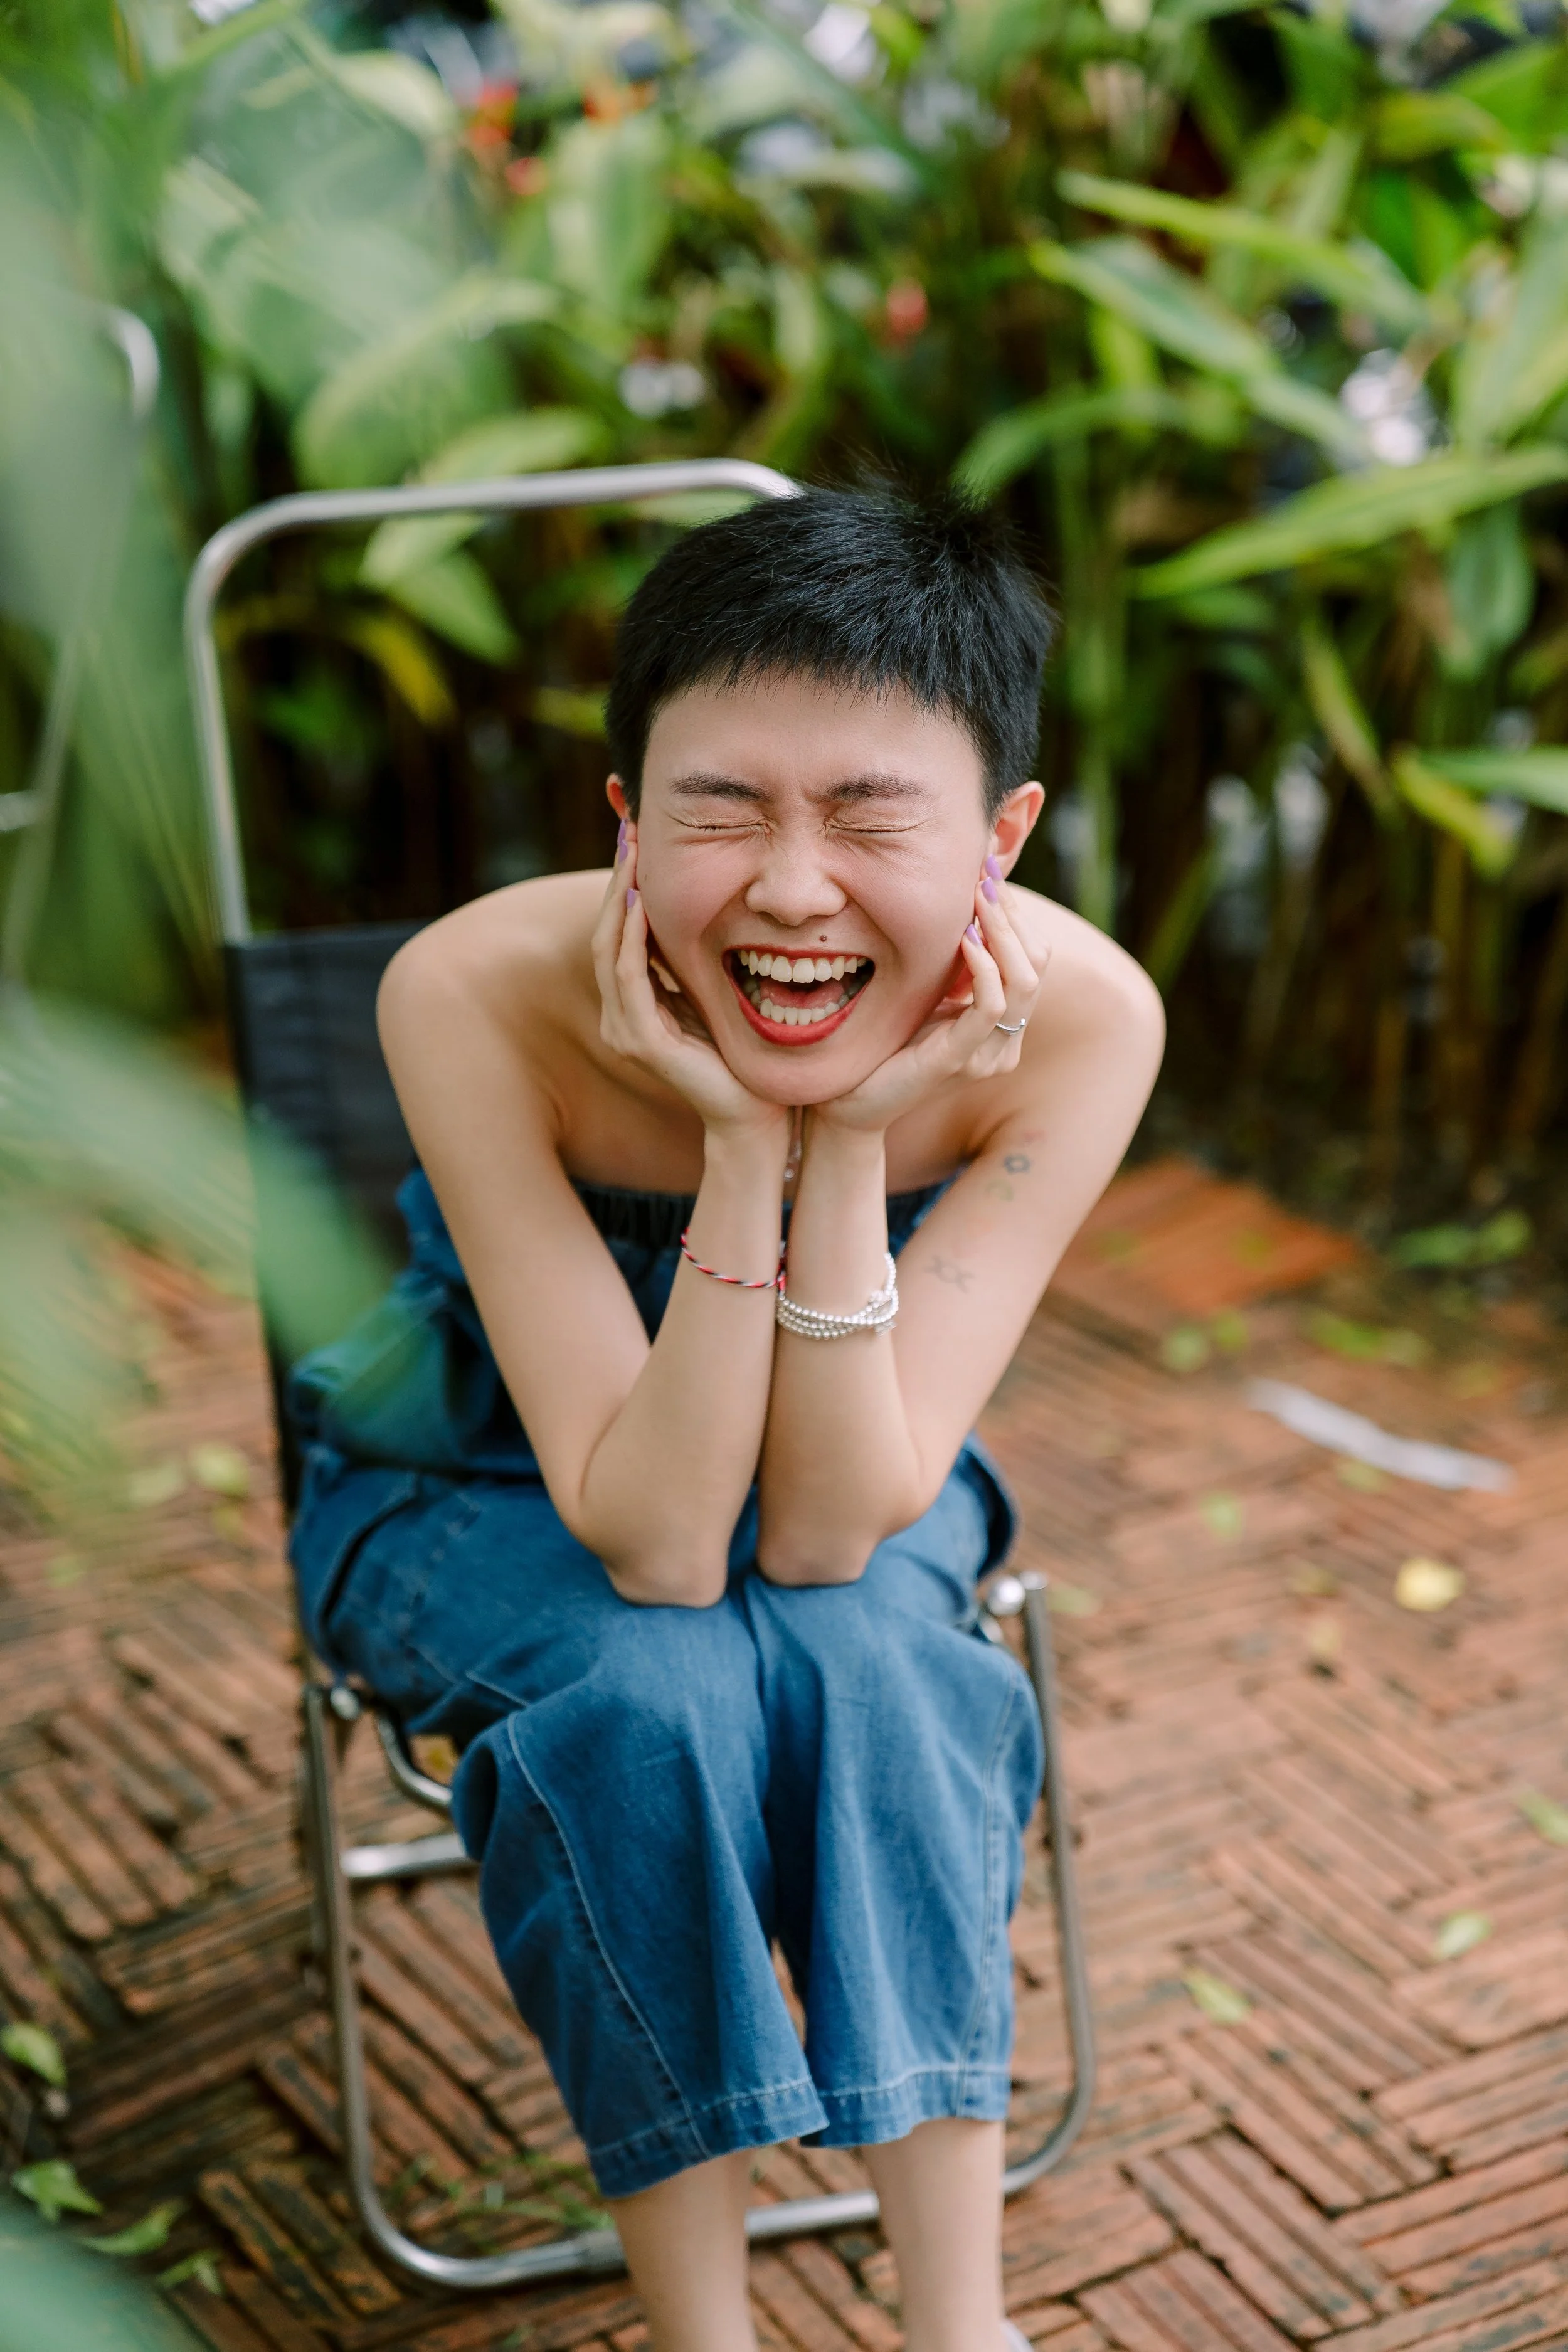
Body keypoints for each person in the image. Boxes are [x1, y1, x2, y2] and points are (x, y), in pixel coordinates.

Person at [287, 487, 1164, 2352]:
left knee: (882, 1662)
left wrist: (832, 1137)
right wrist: (740, 1135)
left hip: (860, 1448)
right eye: (718, 807)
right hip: (489, 1466)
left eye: (868, 813)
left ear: (1001, 836)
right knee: (649, 1689)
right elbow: (661, 1541)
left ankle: (958, 2321)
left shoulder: (1084, 1025)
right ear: (621, 819)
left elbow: (828, 1527)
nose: (786, 887)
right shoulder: (473, 992)